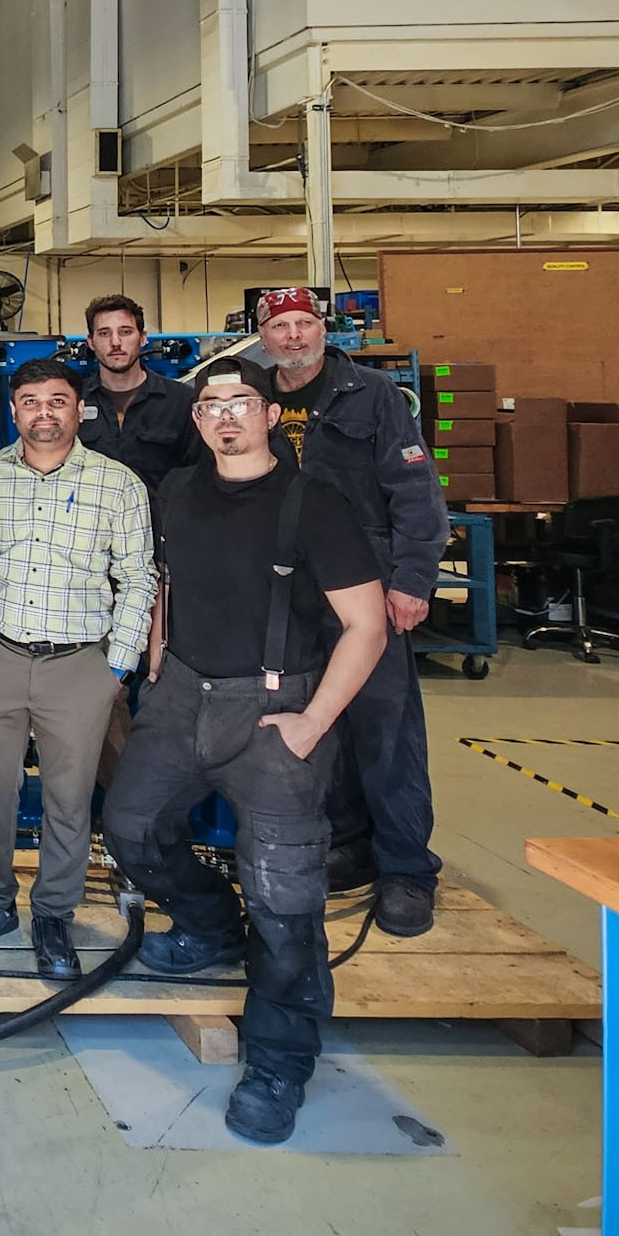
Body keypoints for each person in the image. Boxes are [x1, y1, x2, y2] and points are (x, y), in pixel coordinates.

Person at [103, 357, 388, 1143]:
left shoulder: (314, 504)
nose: (226, 416)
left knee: (286, 897)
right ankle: (209, 923)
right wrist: (159, 658)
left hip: (276, 712)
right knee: (130, 830)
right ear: (197, 422)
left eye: (241, 402)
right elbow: (165, 581)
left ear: (270, 415)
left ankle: (278, 1060)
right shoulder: (179, 494)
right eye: (212, 405)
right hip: (181, 699)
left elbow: (368, 626)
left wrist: (312, 722)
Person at [0, 357, 156, 980]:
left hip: (79, 664)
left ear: (78, 408)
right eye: (32, 401)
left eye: (57, 400)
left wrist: (115, 666)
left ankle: (54, 913)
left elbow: (139, 577)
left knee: (69, 797)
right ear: (14, 410)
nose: (45, 412)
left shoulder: (118, 484)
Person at [253, 285, 448, 937]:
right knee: (317, 726)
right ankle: (348, 845)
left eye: (305, 324)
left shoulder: (373, 396)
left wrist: (414, 580)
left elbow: (415, 492)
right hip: (290, 596)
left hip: (368, 591)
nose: (295, 337)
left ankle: (406, 871)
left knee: (385, 732)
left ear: (322, 329)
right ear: (263, 334)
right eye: (281, 327)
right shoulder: (250, 396)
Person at [78, 293, 199, 492]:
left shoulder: (181, 401)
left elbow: (199, 474)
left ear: (143, 338)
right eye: (104, 333)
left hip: (161, 522)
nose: (115, 342)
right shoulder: (73, 402)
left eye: (125, 332)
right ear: (91, 342)